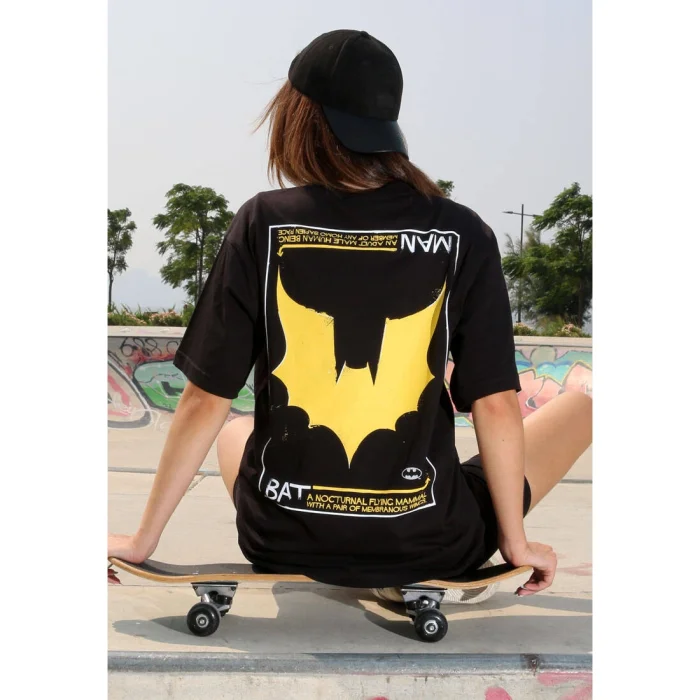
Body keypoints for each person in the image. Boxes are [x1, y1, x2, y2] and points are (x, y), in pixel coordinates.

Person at [108, 30, 592, 601]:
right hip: (429, 541)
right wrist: (515, 542)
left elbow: (204, 399)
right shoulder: (461, 232)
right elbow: (495, 402)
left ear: (299, 118)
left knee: (236, 428)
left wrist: (143, 539)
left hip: (281, 537)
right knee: (583, 405)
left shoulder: (264, 222)